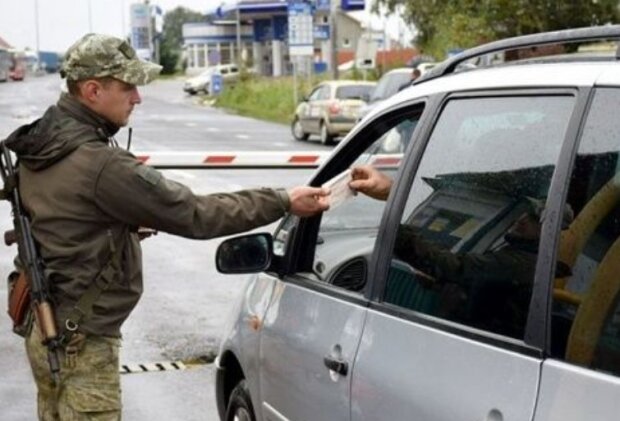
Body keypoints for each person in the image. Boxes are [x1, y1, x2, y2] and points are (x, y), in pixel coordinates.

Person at [3, 33, 329, 420]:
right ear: (92, 90)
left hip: (43, 328)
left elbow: (62, 222)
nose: (137, 98)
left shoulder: (41, 143)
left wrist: (118, 230)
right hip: (80, 341)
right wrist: (283, 200)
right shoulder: (100, 164)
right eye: (127, 87)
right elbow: (197, 213)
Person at [349, 165, 572, 338]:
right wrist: (440, 284)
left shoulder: (521, 262)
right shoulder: (520, 255)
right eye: (526, 212)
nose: (522, 219)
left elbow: (458, 268)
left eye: (534, 218)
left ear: (551, 232)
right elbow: (484, 289)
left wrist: (398, 230)